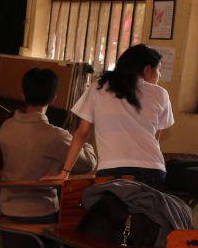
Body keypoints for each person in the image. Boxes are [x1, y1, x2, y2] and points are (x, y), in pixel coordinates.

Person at [52, 44, 173, 185]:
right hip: (153, 170)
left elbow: (82, 133)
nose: (160, 74)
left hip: (112, 170)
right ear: (147, 70)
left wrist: (65, 172)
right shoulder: (161, 94)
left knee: (108, 206)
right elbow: (154, 139)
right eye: (158, 69)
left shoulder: (99, 87)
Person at [0, 67, 96, 222]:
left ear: (23, 94)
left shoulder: (6, 127)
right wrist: (82, 140)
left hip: (6, 208)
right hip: (41, 212)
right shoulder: (56, 136)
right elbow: (88, 163)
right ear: (53, 99)